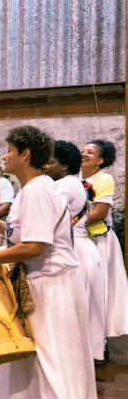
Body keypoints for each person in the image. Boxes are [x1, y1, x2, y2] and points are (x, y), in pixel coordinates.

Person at [0, 126, 96, 398]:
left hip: (50, 287)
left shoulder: (37, 191)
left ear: (25, 155)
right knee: (42, 362)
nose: (3, 157)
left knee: (50, 364)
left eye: (9, 151)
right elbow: (27, 233)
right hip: (46, 284)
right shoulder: (33, 188)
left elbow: (36, 246)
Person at [44, 140, 105, 363]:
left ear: (63, 166)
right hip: (80, 249)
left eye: (49, 162)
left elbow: (47, 219)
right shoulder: (72, 183)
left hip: (75, 250)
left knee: (70, 317)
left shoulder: (63, 186)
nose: (45, 167)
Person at [81, 139, 128, 356]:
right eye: (83, 150)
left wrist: (69, 222)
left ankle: (101, 344)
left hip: (100, 241)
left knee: (101, 290)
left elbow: (99, 212)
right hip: (80, 240)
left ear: (100, 160)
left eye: (90, 152)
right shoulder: (74, 178)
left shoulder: (104, 179)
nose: (84, 153)